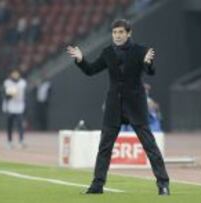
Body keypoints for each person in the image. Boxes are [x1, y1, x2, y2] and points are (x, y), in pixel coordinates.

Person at [67, 19, 170, 195]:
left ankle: (163, 185)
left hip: (136, 105)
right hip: (114, 105)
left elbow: (150, 71)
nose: (117, 36)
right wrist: (81, 60)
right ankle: (97, 186)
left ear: (129, 33)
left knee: (150, 146)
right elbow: (91, 70)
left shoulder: (141, 51)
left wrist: (148, 63)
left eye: (121, 32)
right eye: (115, 33)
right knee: (104, 148)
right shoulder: (107, 52)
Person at [2, 69, 27, 149]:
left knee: (20, 125)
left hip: (19, 106)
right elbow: (6, 96)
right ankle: (9, 141)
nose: (15, 75)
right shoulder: (7, 82)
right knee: (10, 125)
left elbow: (24, 94)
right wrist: (11, 93)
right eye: (14, 73)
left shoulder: (22, 83)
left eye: (16, 73)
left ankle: (21, 140)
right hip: (10, 106)